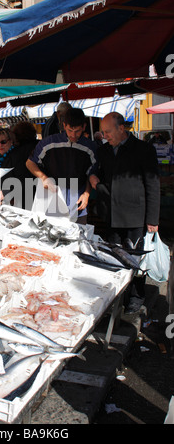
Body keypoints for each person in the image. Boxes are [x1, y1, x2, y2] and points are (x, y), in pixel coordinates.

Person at [89, 112, 160, 314]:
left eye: (108, 131)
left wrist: (152, 219)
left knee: (135, 258)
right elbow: (98, 173)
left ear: (122, 129)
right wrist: (94, 177)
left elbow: (152, 184)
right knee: (114, 257)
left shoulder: (143, 149)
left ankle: (136, 298)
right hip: (110, 213)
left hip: (135, 215)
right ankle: (117, 296)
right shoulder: (103, 151)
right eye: (103, 132)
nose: (105, 136)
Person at [27, 108, 97, 224]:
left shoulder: (90, 147)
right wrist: (44, 178)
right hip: (52, 203)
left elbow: (91, 173)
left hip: (78, 206)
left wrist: (86, 194)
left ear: (84, 127)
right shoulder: (48, 143)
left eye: (78, 131)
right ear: (64, 126)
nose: (73, 135)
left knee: (77, 238)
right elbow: (30, 163)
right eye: (70, 130)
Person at [0, 124, 38, 209]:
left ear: (11, 140)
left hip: (21, 202)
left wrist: (5, 193)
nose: (0, 145)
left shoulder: (14, 156)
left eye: (3, 142)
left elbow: (16, 181)